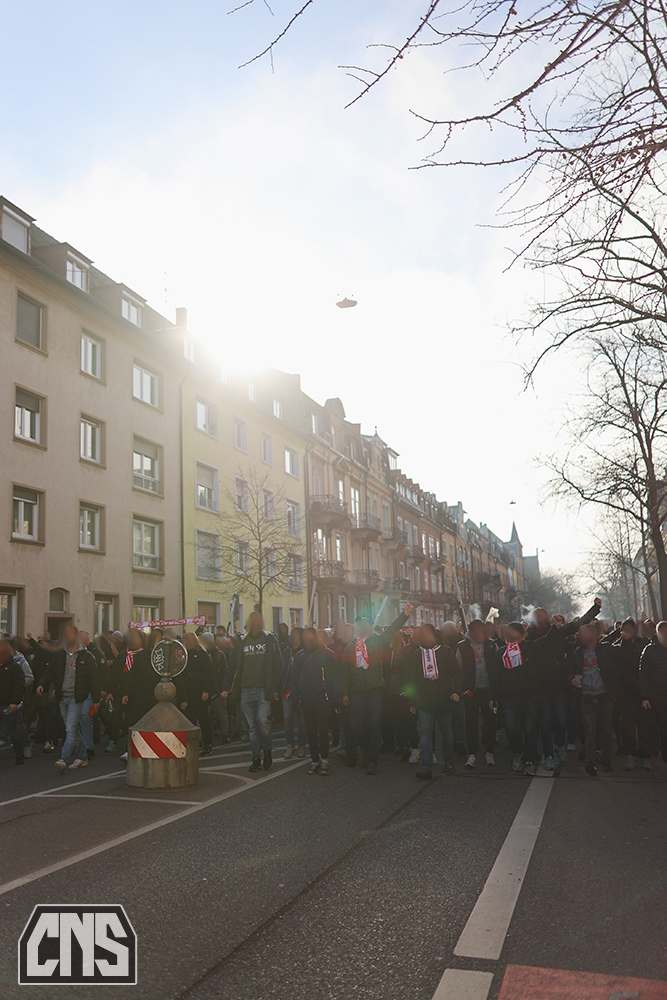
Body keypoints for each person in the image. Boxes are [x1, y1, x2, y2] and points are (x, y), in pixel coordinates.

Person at [526, 599, 602, 768]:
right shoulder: (531, 637)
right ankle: (548, 755)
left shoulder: (560, 631)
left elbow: (579, 623)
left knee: (560, 719)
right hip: (542, 685)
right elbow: (540, 645)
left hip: (560, 683)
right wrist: (556, 628)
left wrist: (595, 608)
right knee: (545, 722)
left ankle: (560, 744)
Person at [341, 604, 413, 775]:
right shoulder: (350, 647)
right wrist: (344, 692)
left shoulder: (377, 641)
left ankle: (373, 760)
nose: (360, 627)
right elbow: (344, 672)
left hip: (375, 688)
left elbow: (393, 628)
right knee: (356, 723)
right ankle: (365, 749)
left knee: (374, 723)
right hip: (357, 690)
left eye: (363, 624)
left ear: (369, 627)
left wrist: (404, 614)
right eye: (357, 625)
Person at [490, 620, 561, 776]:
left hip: (530, 695)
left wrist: (555, 628)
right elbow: (495, 676)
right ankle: (517, 753)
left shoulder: (529, 648)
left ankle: (529, 760)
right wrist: (493, 697)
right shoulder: (501, 653)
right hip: (509, 697)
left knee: (530, 729)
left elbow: (545, 642)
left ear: (522, 636)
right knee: (511, 728)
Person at [222, 612, 282, 772]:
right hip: (246, 690)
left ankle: (267, 751)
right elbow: (232, 666)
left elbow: (278, 664)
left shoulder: (269, 639)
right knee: (252, 728)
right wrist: (226, 687)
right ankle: (256, 757)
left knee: (263, 722)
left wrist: (273, 686)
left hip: (263, 689)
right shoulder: (242, 641)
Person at [36, 625, 101, 773]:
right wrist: (42, 684)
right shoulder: (60, 654)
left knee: (70, 729)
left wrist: (96, 700)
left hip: (76, 698)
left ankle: (63, 759)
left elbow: (94, 678)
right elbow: (51, 671)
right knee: (72, 729)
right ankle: (82, 756)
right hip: (62, 697)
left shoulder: (86, 656)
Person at [409, 623, 462, 779]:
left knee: (447, 733)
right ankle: (426, 767)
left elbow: (457, 673)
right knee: (425, 732)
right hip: (424, 700)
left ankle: (449, 763)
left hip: (444, 698)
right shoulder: (416, 654)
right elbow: (411, 679)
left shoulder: (445, 652)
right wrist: (412, 701)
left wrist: (457, 691)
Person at [570, 622, 620, 776]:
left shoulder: (605, 649)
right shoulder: (576, 654)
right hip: (586, 698)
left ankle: (606, 760)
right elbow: (570, 672)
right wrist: (571, 679)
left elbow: (620, 655)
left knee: (605, 732)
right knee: (589, 731)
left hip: (604, 697)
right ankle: (590, 763)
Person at [605, 618, 653, 770]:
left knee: (644, 726)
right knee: (627, 727)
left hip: (641, 693)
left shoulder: (642, 645)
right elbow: (604, 644)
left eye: (630, 629)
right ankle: (630, 756)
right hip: (624, 694)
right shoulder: (617, 648)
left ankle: (645, 757)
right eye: (624, 629)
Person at [457, 619, 498, 767]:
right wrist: (462, 690)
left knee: (489, 722)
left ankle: (489, 752)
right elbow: (458, 670)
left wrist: (495, 692)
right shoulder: (462, 647)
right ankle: (472, 753)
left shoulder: (492, 645)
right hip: (471, 691)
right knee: (471, 723)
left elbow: (497, 668)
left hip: (488, 691)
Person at [293, 627, 330, 774]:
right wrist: (294, 695)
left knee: (322, 729)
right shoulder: (299, 656)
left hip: (321, 698)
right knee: (311, 731)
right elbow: (295, 677)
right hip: (306, 698)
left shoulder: (324, 654)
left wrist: (333, 695)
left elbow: (332, 676)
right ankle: (315, 759)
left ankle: (325, 759)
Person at [640, 622, 667, 760]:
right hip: (657, 695)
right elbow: (644, 675)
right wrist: (644, 697)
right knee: (662, 727)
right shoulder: (649, 650)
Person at [0, 639, 28, 764]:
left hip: (9, 704)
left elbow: (19, 686)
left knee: (12, 730)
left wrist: (14, 702)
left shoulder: (14, 667)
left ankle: (19, 754)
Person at [317, 628, 341, 748]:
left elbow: (335, 674)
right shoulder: (312, 653)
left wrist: (335, 692)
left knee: (331, 715)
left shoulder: (330, 653)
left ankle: (336, 733)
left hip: (328, 689)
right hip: (318, 690)